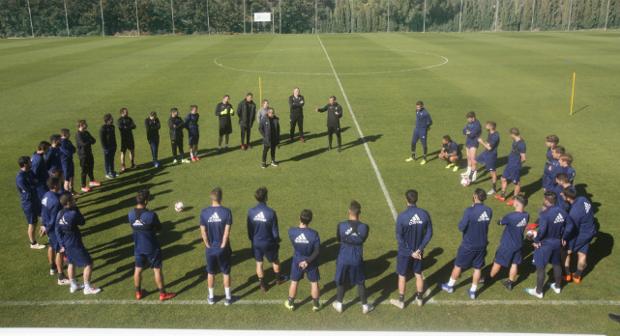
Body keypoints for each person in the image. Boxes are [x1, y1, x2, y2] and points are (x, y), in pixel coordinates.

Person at [442, 188, 492, 300]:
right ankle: (473, 291)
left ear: (475, 196)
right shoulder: (489, 210)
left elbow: (461, 227)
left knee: (458, 265)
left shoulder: (470, 210)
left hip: (469, 244)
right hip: (482, 244)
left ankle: (450, 286)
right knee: (478, 268)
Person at [129, 189, 176, 301]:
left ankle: (138, 293)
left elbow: (135, 226)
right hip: (152, 247)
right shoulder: (151, 215)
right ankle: (162, 294)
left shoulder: (130, 214)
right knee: (157, 270)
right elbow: (159, 228)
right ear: (146, 201)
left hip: (138, 247)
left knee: (138, 269)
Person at [390, 189, 433, 309]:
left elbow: (399, 237)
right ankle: (420, 298)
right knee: (418, 274)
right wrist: (419, 249)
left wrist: (410, 252)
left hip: (405, 252)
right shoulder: (425, 214)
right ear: (417, 199)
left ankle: (401, 301)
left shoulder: (402, 216)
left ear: (406, 199)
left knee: (402, 275)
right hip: (419, 252)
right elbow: (429, 233)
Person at [525, 192, 569, 299]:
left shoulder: (544, 214)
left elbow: (543, 231)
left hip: (545, 244)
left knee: (541, 268)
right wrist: (564, 237)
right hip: (557, 243)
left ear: (546, 200)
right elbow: (570, 224)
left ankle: (539, 291)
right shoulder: (562, 212)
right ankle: (558, 287)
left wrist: (536, 239)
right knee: (556, 264)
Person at [332, 201, 373, 314]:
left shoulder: (341, 225)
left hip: (343, 257)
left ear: (349, 211)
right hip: (356, 258)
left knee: (341, 280)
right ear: (359, 212)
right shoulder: (365, 227)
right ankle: (365, 306)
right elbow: (363, 239)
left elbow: (338, 239)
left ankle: (339, 304)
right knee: (360, 282)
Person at [55, 193, 101, 295]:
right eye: (72, 200)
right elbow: (82, 222)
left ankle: (74, 285)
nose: (74, 200)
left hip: (66, 243)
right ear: (68, 203)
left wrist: (61, 244)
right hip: (75, 243)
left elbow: (57, 229)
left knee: (71, 263)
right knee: (89, 263)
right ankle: (87, 288)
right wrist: (76, 208)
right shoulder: (73, 214)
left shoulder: (59, 213)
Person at [246, 187, 286, 292]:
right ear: (266, 197)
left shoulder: (251, 212)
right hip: (269, 242)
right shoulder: (271, 213)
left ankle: (263, 285)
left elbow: (249, 229)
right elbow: (275, 232)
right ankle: (278, 279)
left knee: (259, 263)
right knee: (275, 260)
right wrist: (277, 241)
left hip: (256, 242)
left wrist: (252, 240)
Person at [199, 187, 233, 306]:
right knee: (226, 272)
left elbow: (203, 232)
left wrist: (207, 244)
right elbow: (227, 232)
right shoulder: (227, 212)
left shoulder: (204, 212)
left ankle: (211, 297)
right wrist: (223, 245)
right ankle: (228, 298)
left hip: (210, 248)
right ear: (221, 197)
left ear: (211, 197)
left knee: (211, 272)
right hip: (223, 248)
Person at [488, 195, 529, 290]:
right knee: (514, 263)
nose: (513, 202)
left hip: (507, 245)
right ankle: (510, 282)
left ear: (518, 203)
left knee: (497, 263)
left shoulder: (511, 216)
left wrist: (500, 220)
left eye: (514, 201)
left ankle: (488, 279)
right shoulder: (526, 215)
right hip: (518, 244)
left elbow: (500, 222)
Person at [285, 209, 321, 312]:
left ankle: (290, 303)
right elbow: (317, 251)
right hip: (311, 261)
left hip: (297, 260)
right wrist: (307, 261)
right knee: (314, 283)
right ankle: (316, 305)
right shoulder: (314, 234)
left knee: (294, 282)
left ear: (299, 218)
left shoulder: (291, 232)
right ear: (310, 220)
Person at [562, 188, 596, 284]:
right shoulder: (583, 199)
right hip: (590, 231)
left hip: (581, 234)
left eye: (563, 195)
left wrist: (566, 240)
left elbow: (572, 228)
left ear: (568, 198)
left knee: (567, 252)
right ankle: (577, 276)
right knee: (582, 253)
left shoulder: (574, 213)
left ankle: (567, 274)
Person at [40, 176, 70, 284]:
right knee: (60, 251)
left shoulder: (46, 195)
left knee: (51, 246)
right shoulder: (56, 201)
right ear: (55, 185)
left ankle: (52, 267)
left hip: (48, 227)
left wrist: (43, 225)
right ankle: (61, 277)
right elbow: (54, 219)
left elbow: (43, 212)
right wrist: (47, 228)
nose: (61, 183)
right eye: (59, 182)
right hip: (55, 229)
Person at [16, 156, 45, 249]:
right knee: (32, 222)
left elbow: (36, 182)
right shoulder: (20, 177)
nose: (31, 163)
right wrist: (34, 185)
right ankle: (33, 243)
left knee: (43, 216)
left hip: (35, 199)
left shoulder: (30, 172)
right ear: (24, 164)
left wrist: (34, 184)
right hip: (28, 203)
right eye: (29, 162)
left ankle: (46, 230)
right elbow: (28, 189)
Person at [495, 128, 526, 206]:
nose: (510, 136)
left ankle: (515, 199)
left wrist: (517, 164)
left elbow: (524, 158)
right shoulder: (515, 141)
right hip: (509, 164)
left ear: (513, 134)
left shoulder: (522, 144)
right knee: (503, 178)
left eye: (510, 134)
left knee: (516, 183)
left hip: (515, 166)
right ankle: (502, 196)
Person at [476, 121, 500, 195]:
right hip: (486, 153)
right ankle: (470, 177)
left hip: (491, 155)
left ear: (491, 127)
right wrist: (485, 142)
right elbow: (488, 143)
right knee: (475, 161)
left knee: (492, 172)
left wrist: (481, 142)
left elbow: (489, 148)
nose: (485, 126)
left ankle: (494, 189)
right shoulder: (490, 133)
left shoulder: (495, 136)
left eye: (487, 125)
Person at [76, 120, 100, 193]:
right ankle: (83, 186)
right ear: (81, 125)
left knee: (91, 167)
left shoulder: (86, 132)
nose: (86, 125)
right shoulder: (78, 134)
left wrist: (89, 141)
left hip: (89, 153)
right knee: (84, 170)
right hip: (83, 155)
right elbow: (83, 144)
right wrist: (89, 141)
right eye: (85, 124)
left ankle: (92, 181)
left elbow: (94, 140)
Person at [462, 111, 482, 181]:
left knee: (473, 158)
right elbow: (463, 131)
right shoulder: (469, 123)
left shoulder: (477, 125)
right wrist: (468, 132)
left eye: (469, 118)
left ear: (473, 118)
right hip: (468, 141)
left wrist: (468, 132)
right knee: (468, 157)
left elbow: (472, 134)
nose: (467, 120)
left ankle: (474, 173)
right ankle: (468, 171)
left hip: (474, 143)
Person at [118, 107, 136, 172]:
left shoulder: (129, 118)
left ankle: (132, 163)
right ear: (122, 113)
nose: (127, 112)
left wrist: (127, 127)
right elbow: (121, 128)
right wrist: (129, 127)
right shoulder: (119, 120)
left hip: (130, 138)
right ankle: (123, 166)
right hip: (124, 139)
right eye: (126, 112)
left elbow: (134, 126)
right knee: (123, 152)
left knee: (132, 150)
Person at [99, 114, 117, 179]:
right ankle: (107, 173)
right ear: (107, 120)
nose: (112, 120)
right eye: (111, 119)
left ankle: (112, 171)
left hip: (113, 146)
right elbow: (102, 139)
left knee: (112, 160)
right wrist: (105, 148)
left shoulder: (113, 127)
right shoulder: (103, 128)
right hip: (107, 148)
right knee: (107, 160)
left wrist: (115, 145)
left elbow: (113, 137)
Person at [59, 128, 76, 193]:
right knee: (66, 178)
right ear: (65, 134)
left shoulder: (68, 141)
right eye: (68, 133)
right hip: (65, 163)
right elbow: (68, 153)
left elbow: (74, 149)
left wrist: (71, 151)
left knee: (72, 176)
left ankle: (72, 190)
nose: (70, 134)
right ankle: (67, 193)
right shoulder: (62, 143)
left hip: (70, 161)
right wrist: (71, 151)